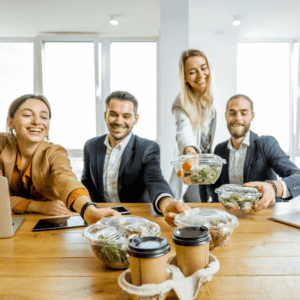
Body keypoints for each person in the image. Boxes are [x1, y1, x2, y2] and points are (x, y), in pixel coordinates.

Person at [0, 94, 121, 225]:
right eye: (27, 115)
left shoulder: (54, 152)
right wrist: (39, 206)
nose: (37, 121)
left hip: (51, 224)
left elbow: (66, 179)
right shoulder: (2, 145)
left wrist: (89, 210)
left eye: (44, 117)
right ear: (10, 122)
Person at [81, 90, 189, 226]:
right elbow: (86, 185)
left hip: (136, 221)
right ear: (105, 115)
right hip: (100, 220)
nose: (119, 121)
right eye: (113, 114)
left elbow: (155, 180)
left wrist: (166, 202)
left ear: (135, 119)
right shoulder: (91, 146)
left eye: (126, 116)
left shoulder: (147, 148)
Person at [207, 94, 300, 210]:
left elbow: (298, 177)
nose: (238, 118)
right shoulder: (219, 149)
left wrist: (273, 188)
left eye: (244, 113)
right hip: (231, 216)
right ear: (226, 116)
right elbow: (214, 186)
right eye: (232, 113)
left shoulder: (266, 143)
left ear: (252, 116)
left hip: (264, 216)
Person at [169, 49, 217, 203]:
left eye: (203, 68)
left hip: (214, 167)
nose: (201, 75)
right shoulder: (181, 102)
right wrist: (190, 152)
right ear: (185, 78)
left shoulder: (216, 97)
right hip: (194, 166)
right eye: (192, 72)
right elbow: (183, 129)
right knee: (196, 208)